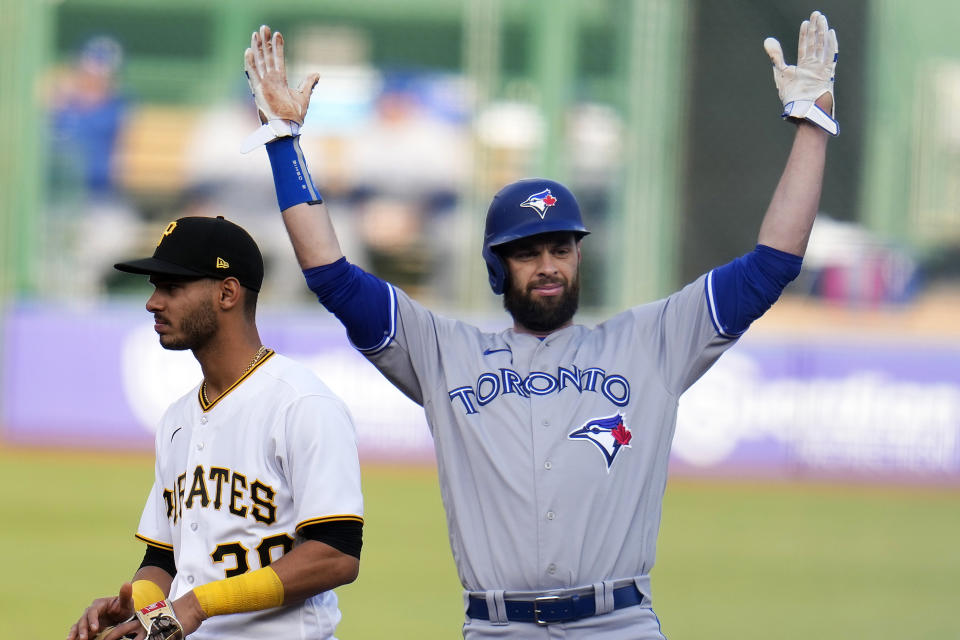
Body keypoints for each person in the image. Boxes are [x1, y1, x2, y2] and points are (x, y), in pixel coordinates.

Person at [242, 9, 838, 638]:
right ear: (499, 269)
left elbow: (772, 266)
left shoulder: (652, 340)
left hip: (620, 622)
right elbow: (332, 276)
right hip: (498, 627)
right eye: (527, 252)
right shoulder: (443, 352)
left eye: (561, 248)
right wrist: (283, 141)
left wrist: (813, 124)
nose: (548, 266)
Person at [66, 216, 364, 640]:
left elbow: (336, 554)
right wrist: (147, 617)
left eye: (171, 287)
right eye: (155, 287)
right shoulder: (176, 419)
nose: (153, 302)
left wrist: (198, 604)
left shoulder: (302, 403)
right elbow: (165, 559)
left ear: (227, 293)